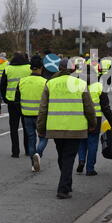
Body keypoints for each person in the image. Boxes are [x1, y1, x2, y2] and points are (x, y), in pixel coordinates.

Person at [37, 58, 97, 199]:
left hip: (55, 127)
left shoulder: (50, 83)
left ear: (59, 68)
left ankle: (67, 183)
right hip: (75, 127)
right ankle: (63, 189)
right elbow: (89, 108)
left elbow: (43, 108)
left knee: (62, 156)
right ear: (74, 69)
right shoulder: (80, 83)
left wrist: (40, 127)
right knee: (69, 157)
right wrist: (92, 124)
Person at [77, 65, 112, 176]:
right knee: (93, 143)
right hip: (95, 119)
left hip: (80, 118)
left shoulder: (78, 86)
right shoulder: (100, 87)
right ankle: (90, 169)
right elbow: (106, 108)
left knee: (81, 141)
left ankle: (81, 160)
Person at [15, 56, 47, 172]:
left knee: (31, 139)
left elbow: (17, 99)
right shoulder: (45, 82)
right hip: (41, 115)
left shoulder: (22, 81)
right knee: (43, 137)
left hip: (26, 114)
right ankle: (38, 155)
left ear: (30, 68)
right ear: (41, 68)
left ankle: (33, 164)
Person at [0, 52, 31, 158]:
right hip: (26, 100)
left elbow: (2, 85)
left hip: (12, 101)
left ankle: (15, 151)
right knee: (27, 127)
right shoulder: (29, 67)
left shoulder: (8, 69)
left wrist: (5, 99)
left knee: (13, 128)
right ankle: (28, 149)